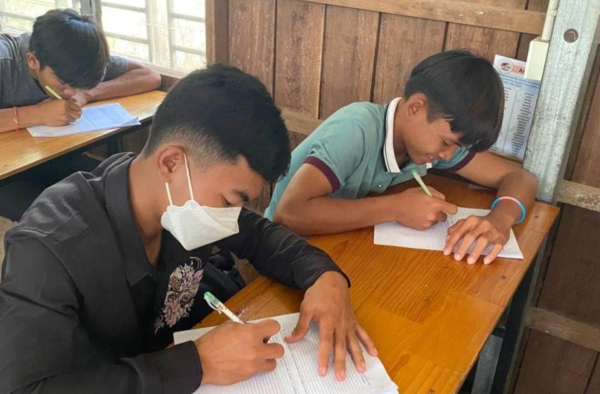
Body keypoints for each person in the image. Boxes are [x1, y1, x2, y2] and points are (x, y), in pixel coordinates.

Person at [0, 64, 376, 393]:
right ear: (170, 163)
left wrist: (325, 276)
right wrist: (197, 364)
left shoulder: (180, 198)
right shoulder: (48, 249)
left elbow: (260, 235)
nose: (233, 215)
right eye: (231, 201)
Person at [265, 50, 538, 265]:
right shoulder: (357, 129)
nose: (448, 155)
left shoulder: (431, 143)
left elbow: (519, 177)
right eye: (446, 143)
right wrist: (396, 208)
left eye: (457, 147)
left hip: (338, 246)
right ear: (416, 108)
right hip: (283, 250)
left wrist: (500, 220)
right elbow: (289, 213)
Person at [0, 9, 162, 221]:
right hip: (7, 173)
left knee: (120, 192)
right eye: (64, 84)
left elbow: (149, 76)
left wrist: (87, 93)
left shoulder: (77, 57)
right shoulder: (5, 62)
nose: (69, 92)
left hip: (45, 155)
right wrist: (35, 114)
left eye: (78, 84)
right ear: (32, 60)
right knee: (61, 219)